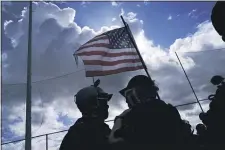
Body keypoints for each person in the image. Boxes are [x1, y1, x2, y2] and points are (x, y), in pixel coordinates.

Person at [109, 75, 183, 150]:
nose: (126, 100)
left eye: (128, 94)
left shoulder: (134, 115)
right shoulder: (171, 110)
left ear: (136, 92)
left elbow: (114, 142)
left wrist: (119, 118)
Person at [60, 80, 112, 150]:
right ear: (93, 105)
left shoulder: (105, 129)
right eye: (104, 103)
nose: (107, 106)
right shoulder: (78, 134)